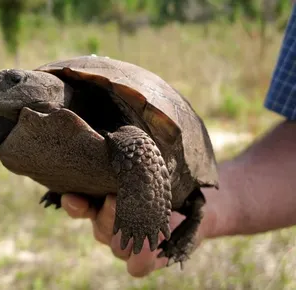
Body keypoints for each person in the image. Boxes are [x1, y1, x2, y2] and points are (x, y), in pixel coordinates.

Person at [60, 5, 296, 277]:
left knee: (136, 145)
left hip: (146, 146)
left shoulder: (132, 134)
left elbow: (139, 144)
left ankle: (193, 216)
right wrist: (215, 209)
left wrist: (187, 212)